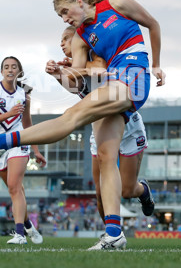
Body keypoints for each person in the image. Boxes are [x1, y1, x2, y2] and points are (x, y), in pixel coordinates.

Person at [0, 0, 164, 250]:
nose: (64, 19)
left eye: (64, 12)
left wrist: (157, 64)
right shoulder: (82, 37)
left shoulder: (117, 4)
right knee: (105, 155)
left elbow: (153, 24)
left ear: (79, 1)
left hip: (133, 74)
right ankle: (114, 234)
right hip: (116, 83)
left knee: (72, 117)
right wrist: (59, 72)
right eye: (60, 16)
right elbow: (76, 83)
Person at [47, 26, 154, 225]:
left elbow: (100, 70)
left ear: (80, 41)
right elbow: (76, 89)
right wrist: (58, 74)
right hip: (101, 129)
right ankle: (111, 235)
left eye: (66, 39)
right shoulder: (76, 67)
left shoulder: (97, 55)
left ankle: (143, 191)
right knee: (100, 192)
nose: (61, 44)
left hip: (128, 126)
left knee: (127, 190)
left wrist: (75, 67)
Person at [0, 56, 46, 245]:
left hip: (18, 141)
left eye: (14, 67)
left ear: (19, 71)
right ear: (2, 71)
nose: (10, 70)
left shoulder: (24, 93)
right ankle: (28, 226)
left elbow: (27, 123)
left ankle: (19, 235)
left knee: (13, 187)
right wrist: (8, 114)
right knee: (16, 189)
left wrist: (36, 149)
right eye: (6, 67)